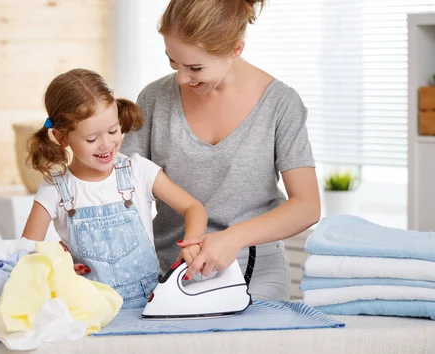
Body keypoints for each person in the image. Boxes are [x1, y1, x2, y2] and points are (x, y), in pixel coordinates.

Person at [120, 0, 321, 301]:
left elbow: (307, 206)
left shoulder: (281, 104)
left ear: (235, 49)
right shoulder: (154, 99)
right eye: (173, 61)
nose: (181, 78)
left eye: (195, 67)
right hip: (168, 270)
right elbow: (121, 188)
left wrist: (233, 238)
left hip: (253, 266)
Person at [21, 68, 208, 308]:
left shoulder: (138, 171)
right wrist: (55, 263)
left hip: (152, 306)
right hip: (90, 311)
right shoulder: (55, 189)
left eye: (113, 130)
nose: (107, 144)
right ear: (62, 138)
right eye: (91, 139)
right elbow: (24, 254)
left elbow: (194, 207)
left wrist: (192, 242)